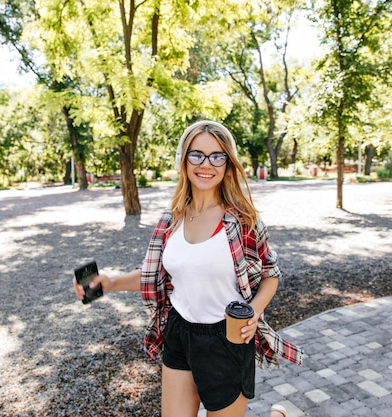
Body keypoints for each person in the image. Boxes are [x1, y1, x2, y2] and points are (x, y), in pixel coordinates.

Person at [73, 120, 303, 417]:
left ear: (227, 164)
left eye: (217, 156)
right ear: (184, 160)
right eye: (197, 154)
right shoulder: (171, 221)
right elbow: (154, 275)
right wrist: (109, 282)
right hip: (179, 333)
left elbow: (271, 273)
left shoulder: (243, 221)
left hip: (228, 338)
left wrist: (254, 311)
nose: (206, 164)